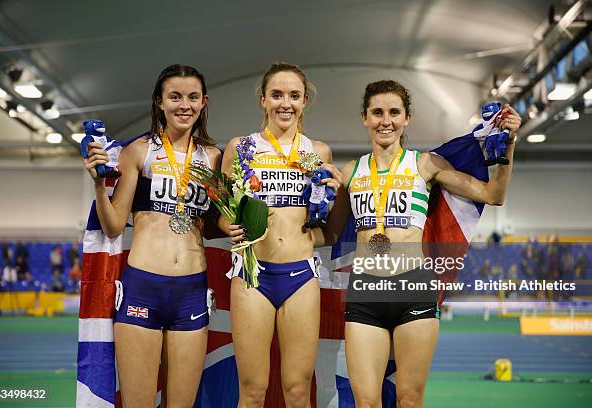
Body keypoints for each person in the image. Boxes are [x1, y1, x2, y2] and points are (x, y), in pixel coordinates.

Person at [317, 80, 521, 407]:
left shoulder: (425, 165)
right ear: (364, 117)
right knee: (366, 402)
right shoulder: (350, 172)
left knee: (410, 400)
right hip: (365, 291)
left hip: (413, 288)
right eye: (378, 112)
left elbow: (493, 195)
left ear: (407, 118)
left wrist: (508, 146)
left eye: (394, 112)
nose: (386, 120)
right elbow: (329, 234)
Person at [83, 64, 221, 407]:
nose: (183, 105)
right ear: (159, 102)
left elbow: (219, 223)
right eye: (174, 97)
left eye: (192, 97)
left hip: (191, 291)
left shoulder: (214, 158)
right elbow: (114, 224)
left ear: (204, 102)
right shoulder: (139, 152)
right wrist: (100, 185)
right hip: (143, 288)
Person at [219, 62, 341, 407]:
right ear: (263, 100)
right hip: (251, 276)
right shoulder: (240, 147)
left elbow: (326, 227)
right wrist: (227, 225)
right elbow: (223, 215)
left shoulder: (318, 152)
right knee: (253, 391)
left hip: (300, 275)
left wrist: (337, 191)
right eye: (276, 95)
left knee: (298, 390)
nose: (284, 103)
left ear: (304, 102)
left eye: (293, 96)